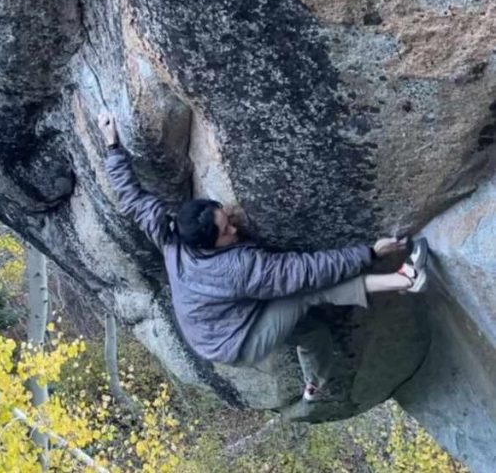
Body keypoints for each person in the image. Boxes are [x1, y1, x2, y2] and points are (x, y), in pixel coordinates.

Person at [98, 112, 428, 402]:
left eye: (224, 217)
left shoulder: (172, 237)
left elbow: (133, 199)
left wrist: (112, 145)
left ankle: (315, 386)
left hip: (216, 323)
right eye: (226, 232)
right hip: (235, 341)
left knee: (312, 334)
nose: (234, 230)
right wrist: (369, 252)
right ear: (209, 246)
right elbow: (307, 272)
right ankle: (404, 279)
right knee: (304, 295)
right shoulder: (235, 268)